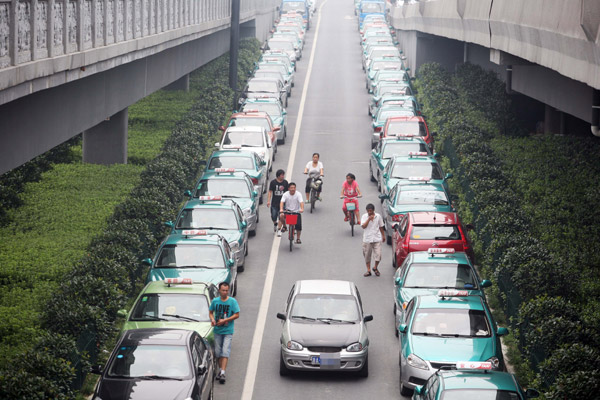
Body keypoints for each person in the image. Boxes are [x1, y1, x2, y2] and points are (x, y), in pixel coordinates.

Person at [209, 282, 240, 384]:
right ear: (219, 290)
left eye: (227, 290)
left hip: (228, 331)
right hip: (218, 331)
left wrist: (225, 320)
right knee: (218, 352)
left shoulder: (232, 301)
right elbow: (210, 312)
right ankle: (220, 370)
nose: (225, 292)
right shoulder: (215, 301)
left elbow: (237, 314)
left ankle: (222, 373)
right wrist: (213, 320)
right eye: (223, 290)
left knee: (225, 351)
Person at [360, 203, 385, 277]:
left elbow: (381, 226)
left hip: (377, 238)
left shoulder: (378, 216)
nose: (369, 212)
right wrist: (368, 219)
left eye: (371, 211)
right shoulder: (364, 216)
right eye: (368, 211)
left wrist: (383, 235)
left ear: (373, 210)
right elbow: (363, 226)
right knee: (367, 255)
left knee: (378, 254)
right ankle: (368, 270)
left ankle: (375, 267)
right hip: (367, 239)